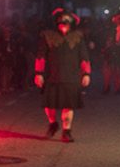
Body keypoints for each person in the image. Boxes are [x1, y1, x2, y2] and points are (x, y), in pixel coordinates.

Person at [35, 9, 90, 142]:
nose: (63, 22)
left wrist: (86, 74)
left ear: (71, 22)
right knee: (49, 104)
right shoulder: (48, 36)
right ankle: (53, 124)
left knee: (68, 105)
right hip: (51, 75)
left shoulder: (78, 37)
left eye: (66, 19)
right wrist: (39, 73)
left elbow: (84, 57)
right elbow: (41, 56)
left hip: (71, 76)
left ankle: (66, 131)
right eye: (61, 19)